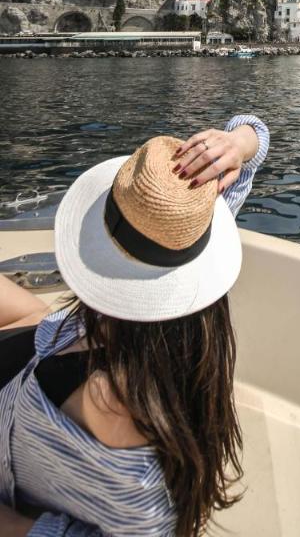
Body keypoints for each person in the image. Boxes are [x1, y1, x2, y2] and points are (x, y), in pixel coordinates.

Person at [0, 112, 270, 537]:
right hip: (43, 338)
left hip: (21, 386)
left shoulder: (109, 401)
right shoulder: (182, 242)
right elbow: (255, 136)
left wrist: (15, 524)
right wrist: (238, 142)